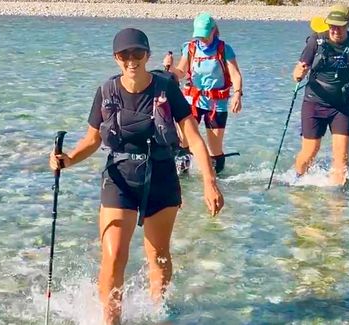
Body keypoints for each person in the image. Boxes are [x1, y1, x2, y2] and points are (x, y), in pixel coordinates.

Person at [48, 28, 224, 325]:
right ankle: (111, 320)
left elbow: (193, 138)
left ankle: (158, 312)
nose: (131, 60)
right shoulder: (106, 91)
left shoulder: (166, 89)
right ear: (116, 58)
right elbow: (91, 141)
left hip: (162, 177)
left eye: (137, 53)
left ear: (148, 55)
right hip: (120, 178)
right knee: (114, 255)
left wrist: (209, 182)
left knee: (159, 255)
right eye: (124, 55)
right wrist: (66, 161)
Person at [292, 4, 349, 186]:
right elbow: (298, 70)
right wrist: (299, 73)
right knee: (310, 152)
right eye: (332, 25)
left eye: (340, 25)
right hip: (314, 103)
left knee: (341, 159)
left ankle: (337, 205)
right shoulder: (315, 41)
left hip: (341, 106)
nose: (335, 29)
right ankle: (296, 181)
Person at [163, 12, 243, 175]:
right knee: (184, 142)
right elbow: (180, 73)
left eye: (205, 36)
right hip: (193, 101)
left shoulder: (224, 49)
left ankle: (216, 180)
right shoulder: (190, 48)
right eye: (198, 36)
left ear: (214, 30)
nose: (202, 39)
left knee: (214, 148)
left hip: (216, 105)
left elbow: (235, 74)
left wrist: (237, 94)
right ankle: (182, 182)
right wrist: (170, 67)